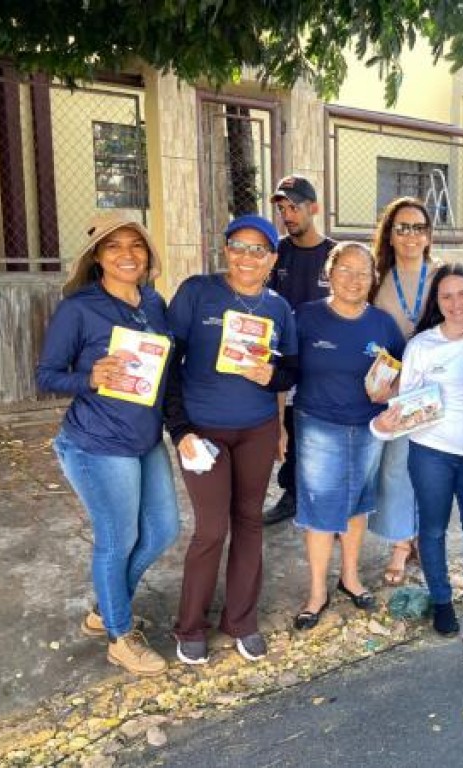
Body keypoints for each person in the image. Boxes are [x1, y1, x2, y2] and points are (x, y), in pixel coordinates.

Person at [36, 212, 180, 677]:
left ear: (148, 254)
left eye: (136, 245)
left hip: (145, 438)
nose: (127, 255)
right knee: (118, 540)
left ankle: (107, 608)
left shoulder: (153, 302)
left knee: (163, 530)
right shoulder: (78, 308)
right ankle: (120, 636)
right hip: (96, 442)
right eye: (114, 246)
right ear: (97, 256)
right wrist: (89, 378)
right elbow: (46, 376)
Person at [165, 214, 298, 665]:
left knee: (249, 522)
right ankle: (190, 625)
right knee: (211, 529)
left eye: (258, 250)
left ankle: (241, 620)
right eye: (238, 246)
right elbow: (168, 365)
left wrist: (270, 377)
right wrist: (180, 429)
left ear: (272, 259)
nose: (247, 257)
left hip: (256, 430)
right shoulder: (197, 292)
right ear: (226, 250)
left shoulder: (278, 308)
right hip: (203, 430)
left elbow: (291, 371)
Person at [292, 242, 405, 629]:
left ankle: (350, 577)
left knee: (358, 504)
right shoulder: (306, 317)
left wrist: (390, 391)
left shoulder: (383, 324)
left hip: (368, 428)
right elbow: (284, 372)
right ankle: (316, 592)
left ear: (373, 278)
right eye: (345, 269)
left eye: (363, 272)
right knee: (321, 510)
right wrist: (276, 426)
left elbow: (403, 371)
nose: (354, 279)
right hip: (318, 426)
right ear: (330, 272)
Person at [371, 263, 463, 637]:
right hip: (431, 452)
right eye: (446, 296)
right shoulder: (422, 345)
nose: (456, 303)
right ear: (437, 302)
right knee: (433, 528)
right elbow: (406, 403)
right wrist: (383, 422)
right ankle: (441, 599)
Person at [368, 197, 441, 586]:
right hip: (394, 386)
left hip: (434, 386)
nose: (411, 235)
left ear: (428, 235)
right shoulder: (376, 277)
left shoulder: (443, 276)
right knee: (396, 467)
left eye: (418, 227)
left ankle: (427, 542)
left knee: (432, 468)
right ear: (390, 235)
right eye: (402, 227)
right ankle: (401, 543)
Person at [263, 175, 337, 526]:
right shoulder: (275, 253)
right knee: (290, 431)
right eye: (282, 209)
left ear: (314, 208)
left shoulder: (334, 255)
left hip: (325, 362)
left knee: (324, 436)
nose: (287, 215)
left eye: (294, 207)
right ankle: (292, 494)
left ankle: (328, 504)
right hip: (286, 362)